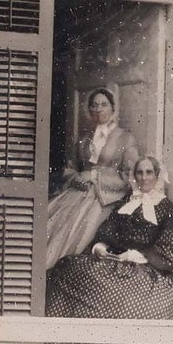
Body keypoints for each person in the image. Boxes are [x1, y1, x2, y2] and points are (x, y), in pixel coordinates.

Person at [45, 156, 173, 344]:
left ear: (156, 176)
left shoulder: (167, 209)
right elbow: (107, 232)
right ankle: (63, 336)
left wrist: (141, 256)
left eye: (149, 173)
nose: (144, 178)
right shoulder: (126, 203)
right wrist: (101, 246)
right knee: (67, 267)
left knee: (126, 300)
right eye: (140, 173)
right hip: (115, 262)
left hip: (147, 271)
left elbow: (171, 254)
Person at [45, 87, 140, 268]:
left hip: (104, 199)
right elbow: (71, 167)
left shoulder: (125, 138)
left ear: (113, 109)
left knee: (77, 237)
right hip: (77, 194)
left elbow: (131, 176)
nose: (99, 109)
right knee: (52, 228)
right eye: (94, 106)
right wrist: (77, 177)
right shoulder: (84, 138)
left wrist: (95, 176)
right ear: (89, 111)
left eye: (104, 105)